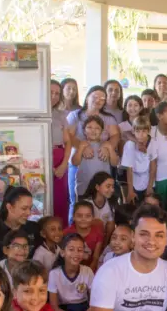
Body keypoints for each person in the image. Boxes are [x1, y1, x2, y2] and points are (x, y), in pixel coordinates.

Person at [66, 86, 120, 217]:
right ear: (87, 98)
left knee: (102, 202)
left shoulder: (108, 118)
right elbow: (68, 135)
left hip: (101, 162)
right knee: (78, 201)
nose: (99, 100)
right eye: (95, 96)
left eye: (102, 98)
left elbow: (115, 136)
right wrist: (82, 147)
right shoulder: (75, 115)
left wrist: (108, 148)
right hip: (80, 163)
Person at [48, 233, 94, 311]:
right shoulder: (54, 274)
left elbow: (94, 301)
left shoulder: (87, 271)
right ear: (62, 252)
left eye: (80, 250)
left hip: (84, 309)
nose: (76, 254)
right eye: (71, 249)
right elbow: (54, 307)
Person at [121, 115, 155, 204]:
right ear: (133, 131)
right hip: (134, 182)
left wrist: (150, 187)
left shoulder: (153, 143)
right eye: (138, 131)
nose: (141, 134)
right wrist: (130, 190)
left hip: (149, 180)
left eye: (144, 131)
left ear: (149, 131)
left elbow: (153, 167)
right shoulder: (129, 145)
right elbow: (129, 169)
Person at [50, 79, 71, 227]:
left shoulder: (61, 115)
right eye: (51, 92)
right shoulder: (31, 114)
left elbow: (68, 142)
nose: (54, 96)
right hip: (39, 159)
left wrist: (64, 164)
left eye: (57, 93)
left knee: (60, 200)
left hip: (59, 158)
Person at [65, 201, 105, 269]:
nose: (83, 219)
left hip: (90, 269)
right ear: (73, 217)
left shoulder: (98, 233)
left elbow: (95, 258)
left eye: (88, 216)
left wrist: (88, 273)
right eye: (79, 216)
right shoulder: (66, 233)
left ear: (93, 217)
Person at [79, 171, 117, 242]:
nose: (112, 190)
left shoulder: (111, 203)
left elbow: (110, 226)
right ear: (97, 187)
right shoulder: (86, 203)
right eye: (108, 186)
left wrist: (105, 244)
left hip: (103, 239)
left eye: (113, 186)